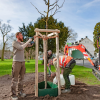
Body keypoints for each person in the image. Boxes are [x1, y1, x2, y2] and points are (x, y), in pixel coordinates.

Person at [11, 32, 35, 100]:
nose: (22, 36)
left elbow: (30, 45)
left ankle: (20, 92)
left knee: (21, 78)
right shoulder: (14, 42)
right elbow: (21, 48)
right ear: (17, 36)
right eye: (21, 35)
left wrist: (34, 40)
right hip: (16, 62)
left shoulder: (22, 43)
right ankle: (13, 94)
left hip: (22, 62)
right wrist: (28, 41)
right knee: (15, 79)